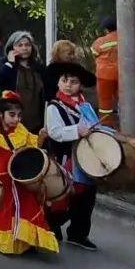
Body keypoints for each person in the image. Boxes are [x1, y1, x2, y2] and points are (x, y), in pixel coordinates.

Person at [0, 91, 59, 255]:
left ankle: (25, 241)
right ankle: (4, 242)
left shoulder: (21, 130)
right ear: (0, 114)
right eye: (12, 115)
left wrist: (41, 136)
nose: (16, 119)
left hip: (20, 178)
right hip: (0, 179)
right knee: (3, 212)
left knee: (27, 208)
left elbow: (33, 145)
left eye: (19, 115)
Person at [43, 58, 101, 250]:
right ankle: (51, 225)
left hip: (86, 158)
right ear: (58, 82)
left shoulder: (86, 105)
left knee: (87, 198)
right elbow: (55, 132)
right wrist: (77, 131)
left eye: (74, 82)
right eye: (65, 80)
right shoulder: (54, 106)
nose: (68, 85)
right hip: (66, 158)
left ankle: (78, 233)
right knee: (64, 196)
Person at [0, 31, 46, 132]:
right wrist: (10, 63)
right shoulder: (5, 64)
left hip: (35, 123)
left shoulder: (38, 67)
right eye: (20, 45)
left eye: (27, 45)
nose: (24, 48)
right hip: (10, 122)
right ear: (12, 48)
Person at [91, 17, 119, 118]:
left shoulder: (101, 41)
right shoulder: (126, 38)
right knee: (124, 100)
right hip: (123, 74)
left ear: (106, 29)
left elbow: (94, 52)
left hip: (104, 76)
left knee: (105, 101)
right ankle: (127, 123)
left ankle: (106, 124)